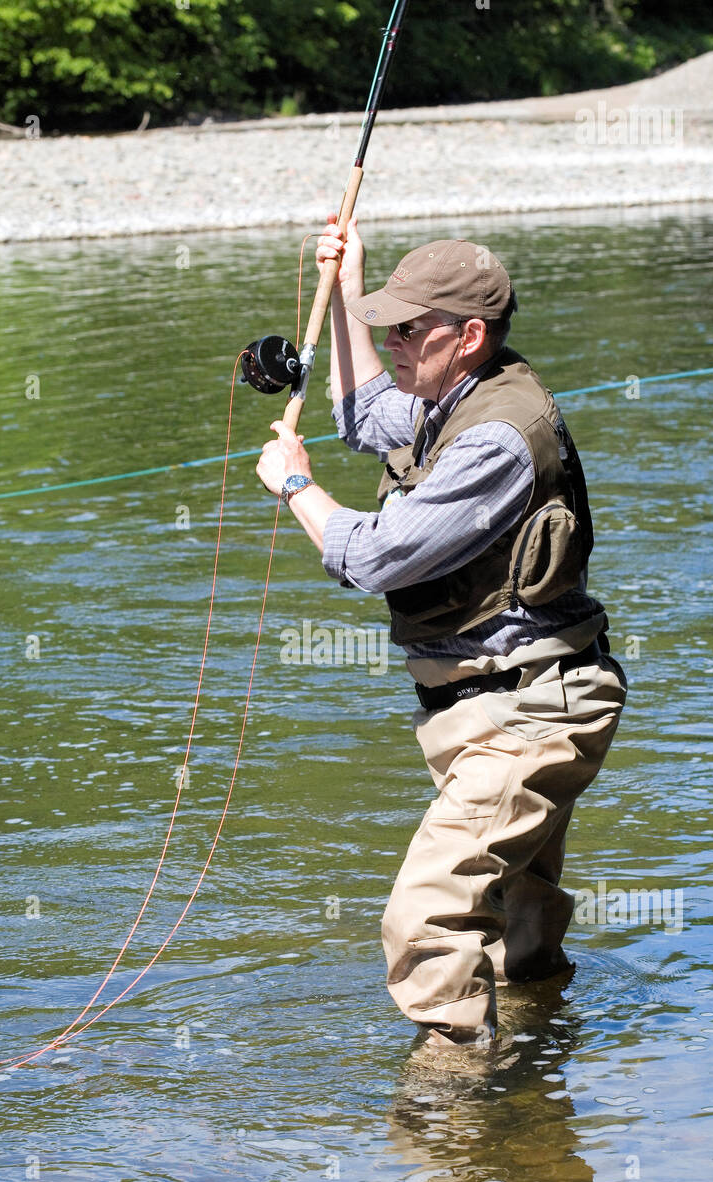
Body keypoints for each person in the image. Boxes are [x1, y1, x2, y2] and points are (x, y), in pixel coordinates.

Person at [255, 218, 627, 1051]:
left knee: (425, 916)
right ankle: (535, 1086)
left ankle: (452, 1117)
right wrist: (348, 293)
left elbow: (380, 556)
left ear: (468, 337)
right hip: (494, 708)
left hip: (534, 712)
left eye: (407, 328)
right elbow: (363, 413)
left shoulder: (497, 435)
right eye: (387, 324)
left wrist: (296, 489)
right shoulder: (449, 395)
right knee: (516, 930)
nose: (391, 340)